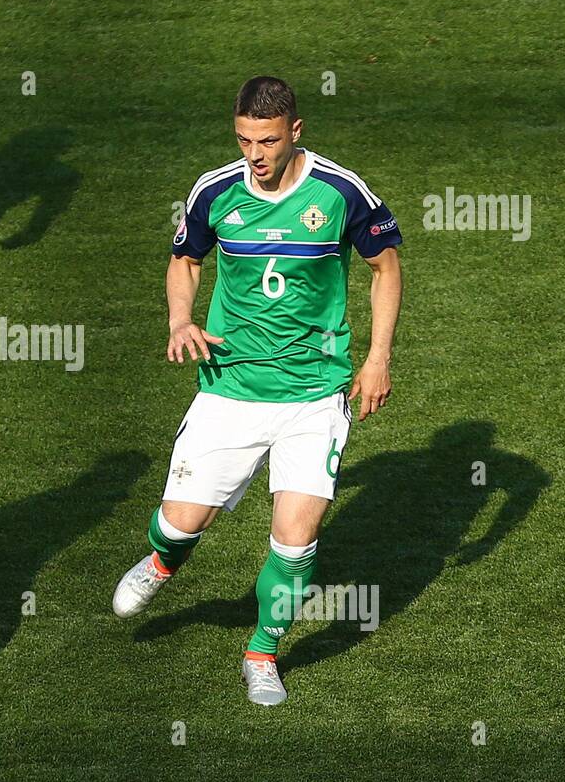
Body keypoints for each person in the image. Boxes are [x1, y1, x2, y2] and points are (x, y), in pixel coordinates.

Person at [112, 76, 403, 705]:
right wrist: (179, 320)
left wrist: (377, 358)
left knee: (296, 540)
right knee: (180, 522)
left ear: (295, 132)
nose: (255, 155)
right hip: (231, 387)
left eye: (267, 141)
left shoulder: (341, 191)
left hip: (314, 393)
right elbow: (186, 259)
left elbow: (385, 267)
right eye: (244, 140)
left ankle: (263, 652)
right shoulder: (215, 191)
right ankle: (163, 560)